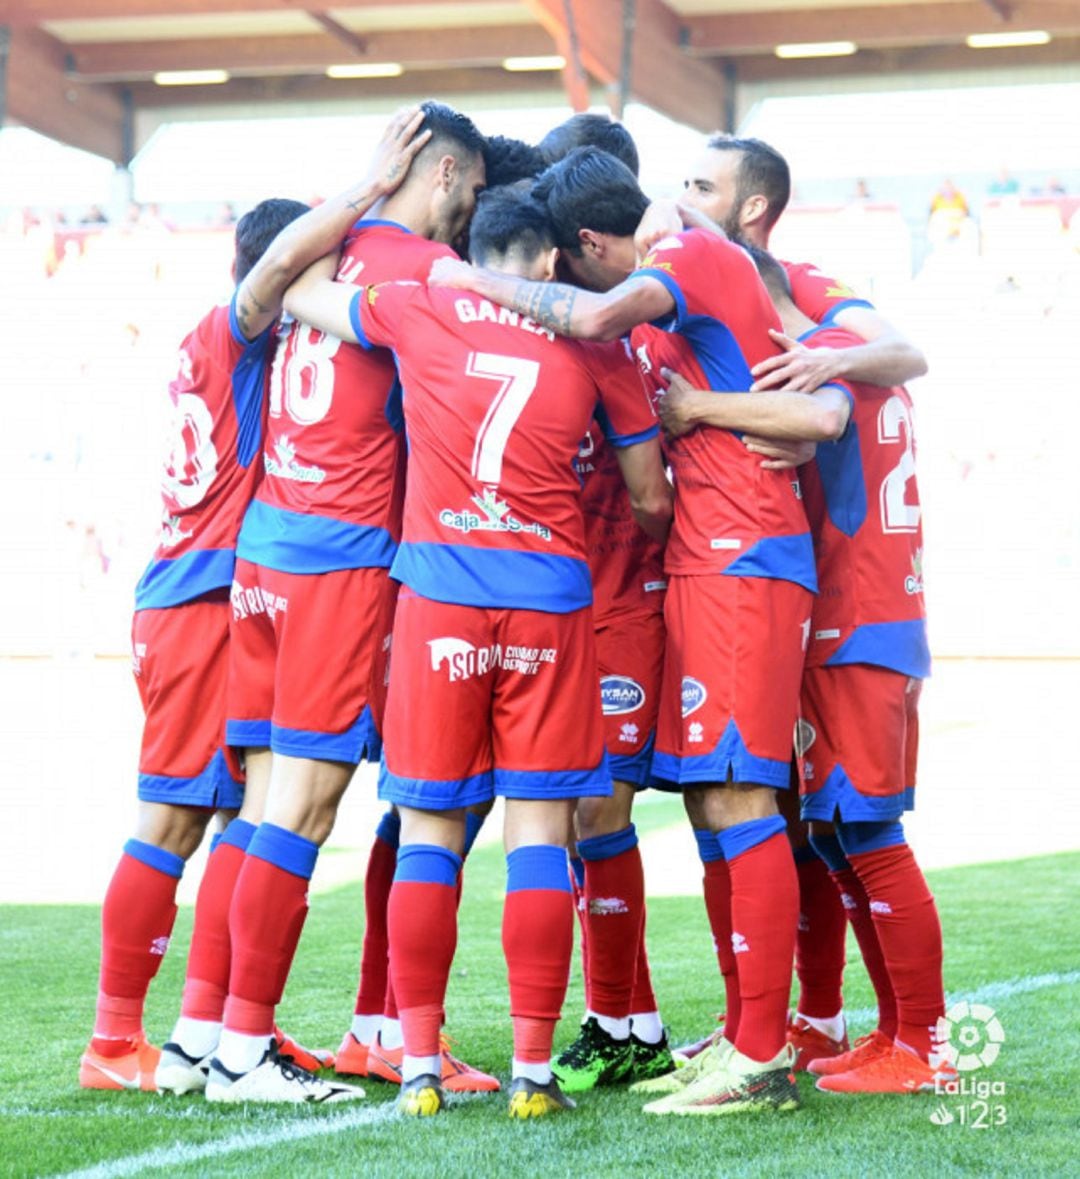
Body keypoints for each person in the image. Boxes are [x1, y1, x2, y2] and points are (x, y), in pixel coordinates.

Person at [431, 147, 816, 1116]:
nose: (679, 202)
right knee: (714, 809)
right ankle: (742, 1036)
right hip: (712, 559)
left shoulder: (680, 260)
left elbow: (604, 319)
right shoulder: (678, 293)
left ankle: (761, 1058)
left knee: (738, 802)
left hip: (739, 556)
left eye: (695, 183)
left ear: (585, 243)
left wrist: (463, 275)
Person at [285, 184, 672, 1119]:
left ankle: (418, 1062)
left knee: (430, 830)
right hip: (548, 607)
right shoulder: (594, 340)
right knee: (539, 831)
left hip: (439, 604)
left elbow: (295, 288)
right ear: (548, 263)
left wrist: (372, 203)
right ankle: (534, 1072)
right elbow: (651, 495)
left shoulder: (417, 300)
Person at [80, 106, 435, 1096]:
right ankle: (118, 1041)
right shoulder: (242, 333)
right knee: (175, 821)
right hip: (205, 596)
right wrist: (365, 194)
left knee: (236, 816)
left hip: (200, 586)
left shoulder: (231, 350)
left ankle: (207, 1035)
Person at [647, 132, 930, 1068]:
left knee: (863, 829)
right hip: (833, 613)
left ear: (752, 217)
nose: (681, 207)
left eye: (701, 189)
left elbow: (865, 382)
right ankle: (827, 1023)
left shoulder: (818, 330)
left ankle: (919, 1040)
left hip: (860, 612)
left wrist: (705, 409)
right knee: (824, 832)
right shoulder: (810, 320)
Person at [537, 113, 673, 1097]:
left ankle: (623, 1022)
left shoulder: (643, 317)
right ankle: (631, 1019)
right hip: (568, 602)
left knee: (602, 810)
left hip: (630, 601)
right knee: (583, 815)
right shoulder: (558, 323)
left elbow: (655, 491)